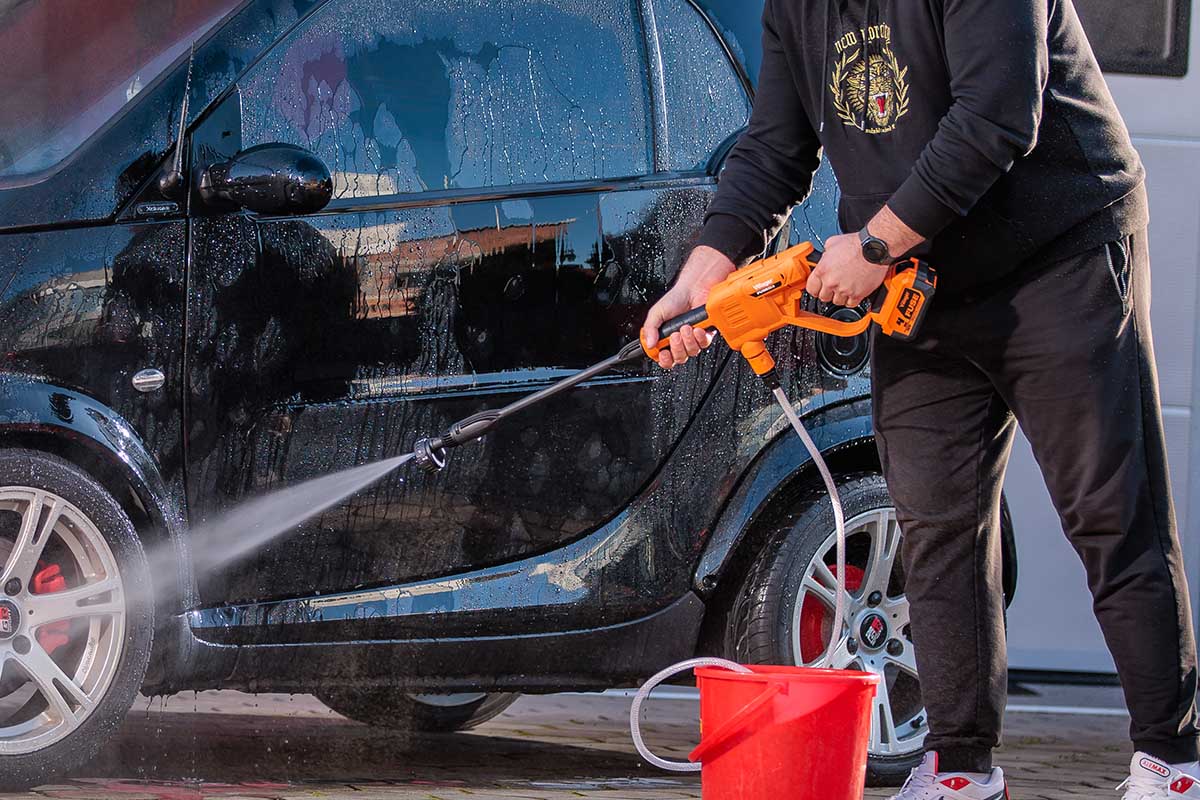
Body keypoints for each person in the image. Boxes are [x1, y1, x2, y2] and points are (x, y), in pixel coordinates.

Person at [641, 0, 1200, 797]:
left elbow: (996, 117)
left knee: (1110, 514)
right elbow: (773, 148)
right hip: (923, 283)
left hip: (1057, 257)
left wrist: (874, 244)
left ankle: (1172, 762)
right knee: (936, 525)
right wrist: (703, 273)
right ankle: (960, 770)